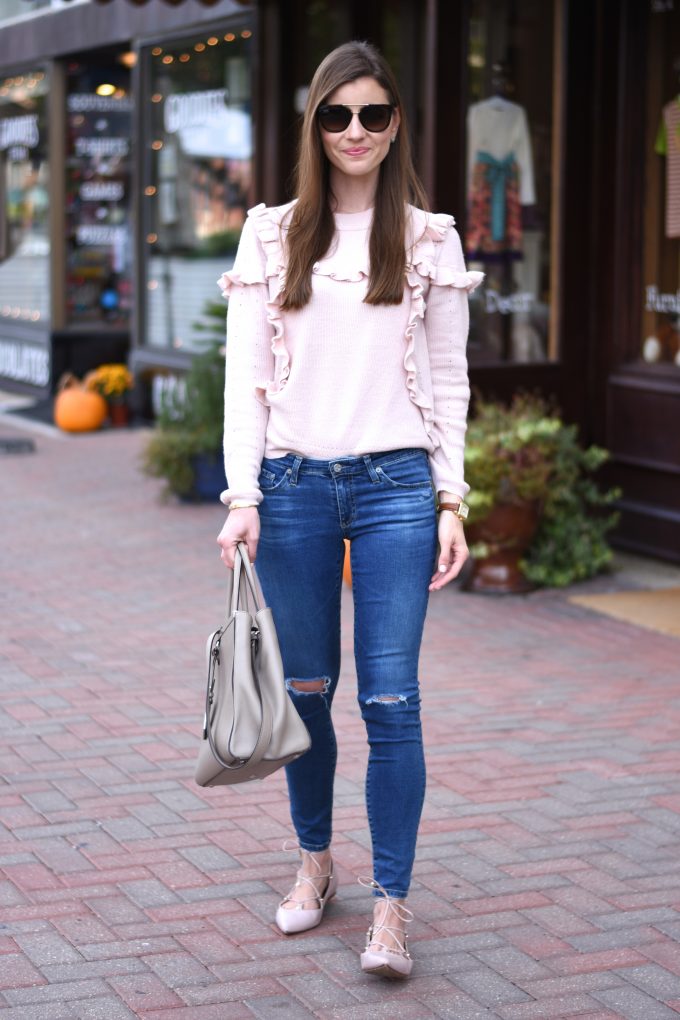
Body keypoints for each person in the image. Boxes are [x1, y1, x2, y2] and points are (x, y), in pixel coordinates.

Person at [216, 40, 482, 980]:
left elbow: (447, 379)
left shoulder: (429, 238)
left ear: (396, 122)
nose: (355, 131)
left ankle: (393, 910)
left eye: (372, 114)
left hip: (397, 490)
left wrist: (453, 496)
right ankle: (316, 861)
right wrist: (241, 494)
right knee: (306, 695)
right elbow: (245, 380)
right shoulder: (272, 234)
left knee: (394, 700)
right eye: (337, 115)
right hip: (291, 490)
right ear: (316, 127)